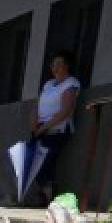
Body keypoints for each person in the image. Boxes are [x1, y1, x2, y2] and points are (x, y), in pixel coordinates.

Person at [29, 50, 81, 205]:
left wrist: (44, 128)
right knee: (34, 163)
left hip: (57, 130)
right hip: (40, 130)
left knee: (45, 162)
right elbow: (37, 106)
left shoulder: (71, 83)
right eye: (53, 64)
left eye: (59, 63)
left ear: (67, 65)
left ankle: (46, 196)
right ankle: (45, 195)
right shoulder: (48, 84)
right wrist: (34, 125)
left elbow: (65, 111)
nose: (55, 67)